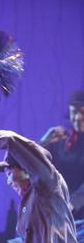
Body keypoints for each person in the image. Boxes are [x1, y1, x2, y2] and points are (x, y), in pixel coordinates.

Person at [40, 90, 84, 218]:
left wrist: (71, 204)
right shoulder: (60, 140)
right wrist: (44, 142)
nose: (78, 117)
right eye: (74, 112)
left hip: (75, 212)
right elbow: (34, 165)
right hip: (58, 210)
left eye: (83, 112)